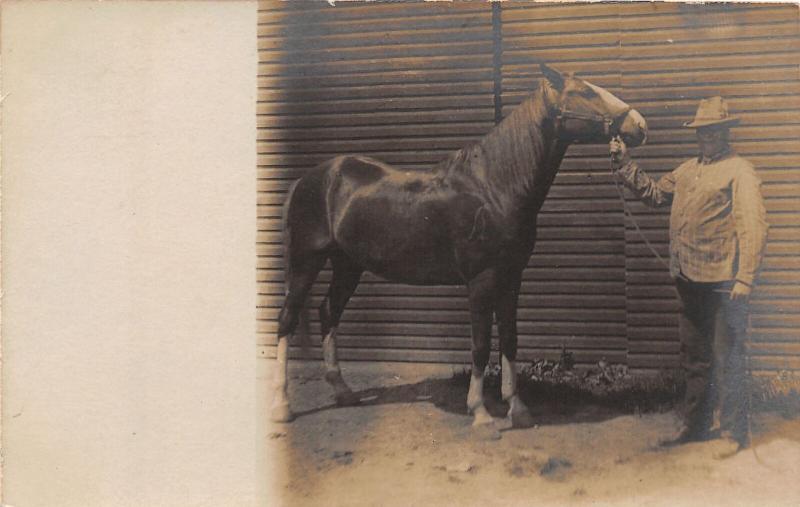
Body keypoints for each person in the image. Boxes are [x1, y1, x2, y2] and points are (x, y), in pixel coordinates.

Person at [609, 96, 768, 450]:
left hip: (725, 283)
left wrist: (745, 277)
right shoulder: (685, 171)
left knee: (729, 357)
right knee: (694, 358)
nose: (707, 137)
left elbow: (753, 226)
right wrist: (625, 164)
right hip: (688, 278)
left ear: (726, 133)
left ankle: (732, 433)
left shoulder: (740, 170)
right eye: (702, 132)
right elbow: (653, 194)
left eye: (714, 131)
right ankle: (695, 426)